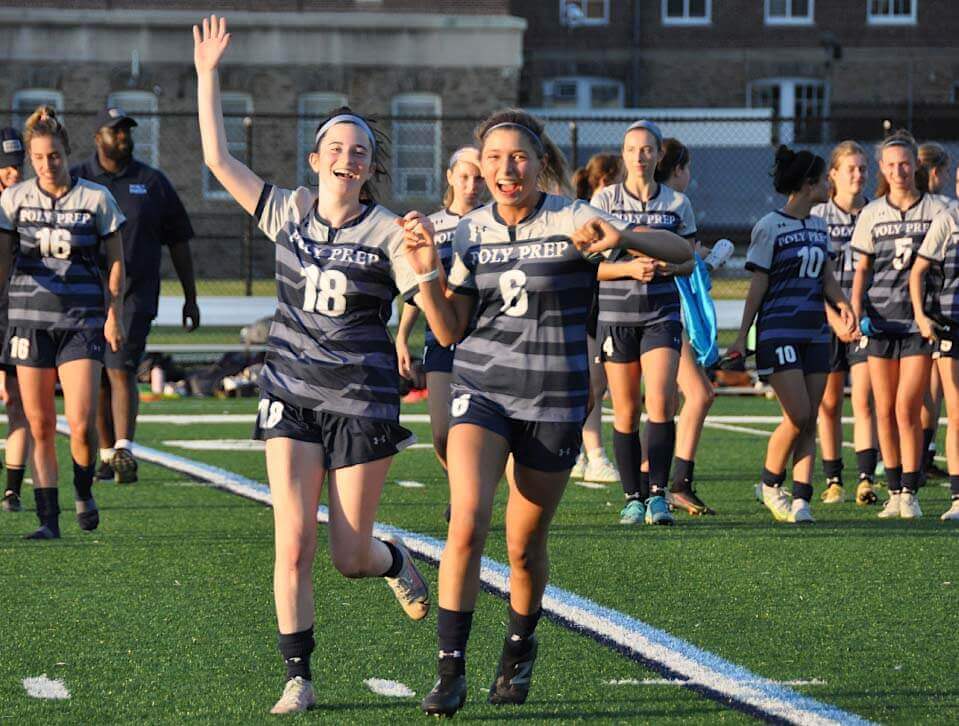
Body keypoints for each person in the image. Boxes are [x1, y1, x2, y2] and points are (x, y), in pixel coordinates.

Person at [403, 108, 691, 716]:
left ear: (540, 164)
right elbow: (450, 329)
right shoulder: (466, 232)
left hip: (553, 398)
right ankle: (449, 668)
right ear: (480, 166)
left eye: (519, 157)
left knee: (523, 546)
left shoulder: (574, 217)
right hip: (480, 390)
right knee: (468, 522)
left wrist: (625, 238)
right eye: (495, 158)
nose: (507, 169)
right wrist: (426, 270)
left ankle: (518, 646)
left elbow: (683, 256)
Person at [194, 15, 430, 714]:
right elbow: (217, 162)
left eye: (359, 150)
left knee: (348, 557)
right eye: (336, 146)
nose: (347, 157)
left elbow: (423, 297)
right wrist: (209, 76)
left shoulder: (388, 230)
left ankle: (391, 557)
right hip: (290, 394)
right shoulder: (287, 212)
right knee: (292, 543)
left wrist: (425, 267)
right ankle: (298, 674)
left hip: (359, 400)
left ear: (368, 166)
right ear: (315, 157)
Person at [0, 106, 126, 539]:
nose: (46, 164)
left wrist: (114, 313)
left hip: (81, 320)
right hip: (29, 322)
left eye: (53, 155)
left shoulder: (95, 198)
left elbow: (115, 261)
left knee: (82, 419)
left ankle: (84, 489)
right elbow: (2, 260)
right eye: (38, 158)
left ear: (66, 152)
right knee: (38, 423)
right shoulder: (13, 200)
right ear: (29, 160)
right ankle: (48, 519)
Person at [729, 146, 856, 524]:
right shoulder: (770, 225)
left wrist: (843, 305)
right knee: (797, 413)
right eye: (824, 179)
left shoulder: (819, 226)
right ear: (808, 184)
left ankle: (802, 499)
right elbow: (758, 285)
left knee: (810, 417)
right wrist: (742, 336)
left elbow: (827, 277)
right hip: (778, 331)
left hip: (814, 332)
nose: (829, 185)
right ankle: (770, 483)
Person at [72, 106, 199, 485]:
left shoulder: (152, 182)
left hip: (135, 294)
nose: (123, 137)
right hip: (85, 292)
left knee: (120, 366)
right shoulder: (78, 179)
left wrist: (190, 297)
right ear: (99, 137)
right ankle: (108, 456)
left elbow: (178, 242)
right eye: (116, 131)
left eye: (127, 130)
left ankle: (124, 448)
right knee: (95, 373)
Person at [592, 120, 696, 525]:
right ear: (623, 154)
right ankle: (632, 497)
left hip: (661, 314)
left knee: (661, 404)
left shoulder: (676, 203)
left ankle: (658, 495)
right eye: (632, 149)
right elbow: (590, 268)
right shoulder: (603, 200)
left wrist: (666, 267)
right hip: (616, 316)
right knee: (625, 410)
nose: (640, 156)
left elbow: (688, 261)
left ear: (658, 155)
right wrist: (630, 270)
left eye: (647, 149)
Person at [851, 130, 951, 519]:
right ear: (882, 168)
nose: (899, 171)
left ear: (917, 165)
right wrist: (855, 310)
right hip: (879, 321)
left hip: (919, 324)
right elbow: (862, 268)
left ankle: (911, 489)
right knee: (883, 409)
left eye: (905, 163)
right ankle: (894, 490)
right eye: (891, 165)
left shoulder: (938, 209)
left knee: (908, 406)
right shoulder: (872, 212)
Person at [395, 147, 484, 478]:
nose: (471, 185)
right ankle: (460, 488)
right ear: (449, 177)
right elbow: (418, 289)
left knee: (483, 429)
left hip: (483, 337)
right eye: (464, 176)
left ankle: (471, 497)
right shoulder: (433, 225)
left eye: (478, 178)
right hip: (440, 337)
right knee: (441, 433)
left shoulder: (492, 222)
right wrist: (403, 336)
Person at [653, 137, 727, 515]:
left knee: (664, 400)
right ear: (678, 170)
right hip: (662, 313)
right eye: (687, 168)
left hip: (657, 313)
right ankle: (667, 485)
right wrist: (707, 259)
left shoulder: (661, 204)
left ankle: (657, 482)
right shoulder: (673, 205)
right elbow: (681, 258)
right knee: (697, 394)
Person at [811, 141, 881, 506]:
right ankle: (834, 479)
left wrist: (861, 315)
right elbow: (812, 277)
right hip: (828, 322)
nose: (858, 175)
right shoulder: (818, 215)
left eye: (863, 168)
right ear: (833, 175)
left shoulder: (877, 212)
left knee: (865, 399)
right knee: (829, 403)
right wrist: (834, 316)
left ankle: (867, 479)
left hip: (867, 322)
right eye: (850, 168)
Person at [569, 152, 622, 484]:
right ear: (604, 182)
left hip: (612, 305)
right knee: (593, 384)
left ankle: (584, 451)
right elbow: (593, 265)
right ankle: (591, 452)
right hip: (590, 305)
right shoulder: (588, 219)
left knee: (598, 384)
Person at [910, 166, 959, 520]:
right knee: (956, 414)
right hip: (951, 326)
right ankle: (958, 499)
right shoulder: (948, 220)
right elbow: (918, 271)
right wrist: (922, 316)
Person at [915, 142, 954, 479]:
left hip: (901, 307)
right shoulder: (946, 209)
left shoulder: (903, 206)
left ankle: (906, 457)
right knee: (933, 389)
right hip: (937, 309)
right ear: (938, 172)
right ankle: (921, 456)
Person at [0, 127, 32, 513]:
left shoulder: (29, 203)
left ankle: (12, 489)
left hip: (21, 312)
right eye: (5, 167)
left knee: (17, 402)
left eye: (15, 165)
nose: (12, 172)